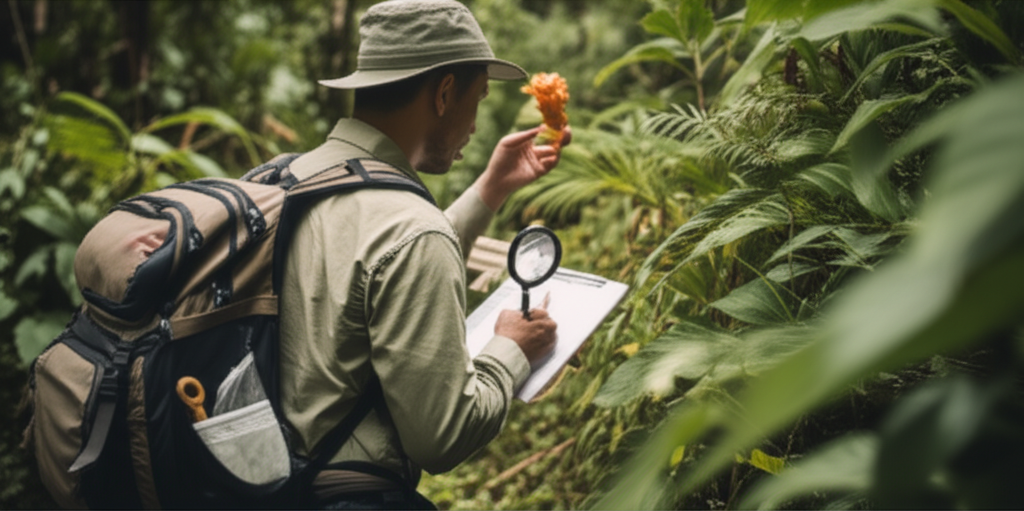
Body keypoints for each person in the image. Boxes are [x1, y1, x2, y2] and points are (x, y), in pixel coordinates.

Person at [277, 1, 569, 508]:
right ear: (445, 92)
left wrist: (492, 187)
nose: (475, 125)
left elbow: (378, 262)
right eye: (477, 99)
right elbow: (443, 437)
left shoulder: (289, 178)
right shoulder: (412, 230)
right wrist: (512, 351)